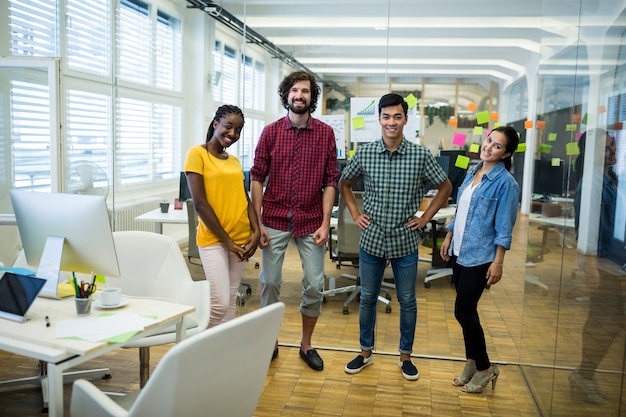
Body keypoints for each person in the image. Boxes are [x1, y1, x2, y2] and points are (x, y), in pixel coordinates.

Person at [341, 93, 452, 380]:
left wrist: (425, 218)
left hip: (405, 240)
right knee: (367, 298)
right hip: (373, 238)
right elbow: (345, 183)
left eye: (397, 116)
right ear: (379, 119)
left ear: (405, 119)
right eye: (386, 116)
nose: (392, 122)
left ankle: (405, 357)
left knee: (407, 300)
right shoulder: (365, 153)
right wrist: (355, 214)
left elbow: (445, 187)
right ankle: (365, 352)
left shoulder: (420, 155)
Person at [250, 70, 339, 371]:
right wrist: (257, 221)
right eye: (294, 90)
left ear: (312, 97)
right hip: (273, 217)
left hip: (312, 218)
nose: (299, 95)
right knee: (269, 281)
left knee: (315, 284)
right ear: (286, 95)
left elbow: (330, 181)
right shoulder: (271, 132)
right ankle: (269, 341)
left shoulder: (325, 133)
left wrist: (326, 222)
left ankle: (306, 344)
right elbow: (257, 177)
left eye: (305, 91)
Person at [439, 125, 520, 393]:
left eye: (497, 146)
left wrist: (499, 261)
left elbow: (504, 227)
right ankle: (471, 362)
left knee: (462, 310)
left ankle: (485, 368)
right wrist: (449, 237)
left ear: (506, 153)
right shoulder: (473, 171)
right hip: (460, 249)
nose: (489, 147)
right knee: (467, 312)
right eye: (489, 140)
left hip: (481, 255)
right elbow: (461, 209)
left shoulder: (506, 184)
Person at [184, 104, 260, 328]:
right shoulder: (197, 154)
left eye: (238, 130)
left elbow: (244, 199)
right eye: (228, 127)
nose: (233, 134)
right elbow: (200, 204)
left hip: (241, 238)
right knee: (219, 303)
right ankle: (193, 347)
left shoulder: (234, 161)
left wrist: (256, 231)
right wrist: (228, 242)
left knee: (230, 302)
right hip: (214, 239)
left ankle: (221, 354)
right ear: (216, 124)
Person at [569, 130, 625, 404]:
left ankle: (585, 374)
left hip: (613, 263)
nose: (612, 152)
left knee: (608, 322)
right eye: (605, 148)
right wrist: (589, 266)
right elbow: (588, 226)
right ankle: (583, 375)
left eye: (613, 147)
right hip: (602, 264)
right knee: (605, 322)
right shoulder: (592, 180)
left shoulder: (608, 179)